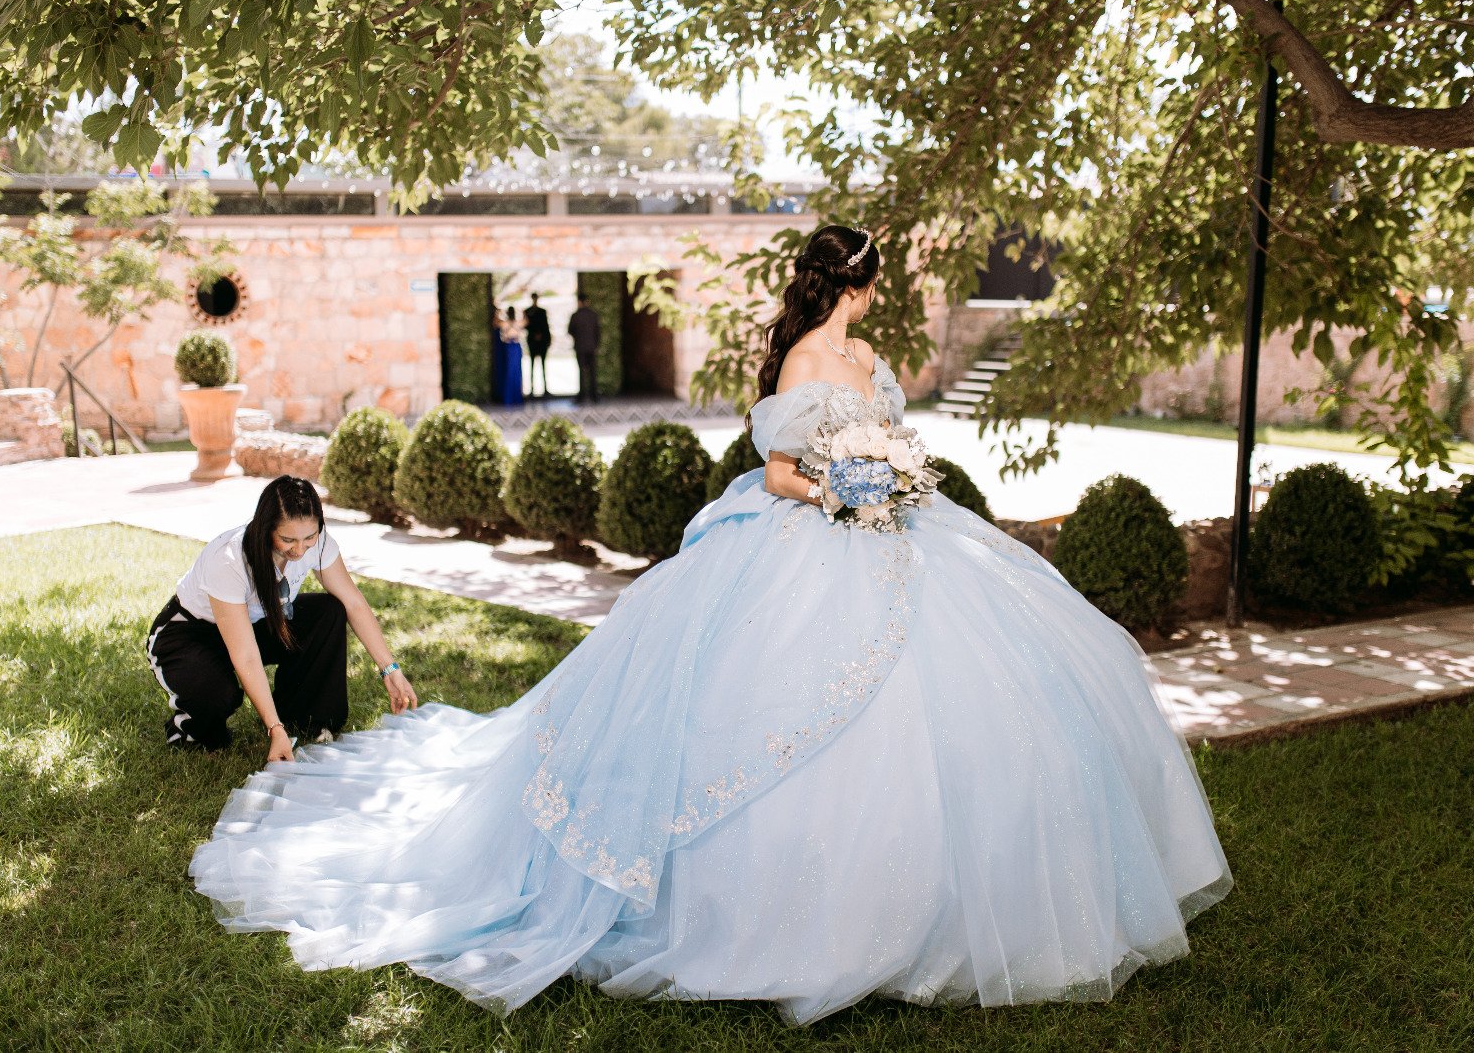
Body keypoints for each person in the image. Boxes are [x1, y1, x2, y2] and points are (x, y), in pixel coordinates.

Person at [190, 225, 1232, 1024]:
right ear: (859, 284)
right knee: (777, 709)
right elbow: (778, 473)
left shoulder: (869, 358)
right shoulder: (800, 365)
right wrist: (842, 492)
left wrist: (893, 482)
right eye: (875, 284)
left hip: (904, 534)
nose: (876, 299)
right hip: (809, 539)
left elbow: (882, 440)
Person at [147, 475, 418, 761]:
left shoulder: (319, 544)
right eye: (287, 539)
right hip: (190, 634)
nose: (299, 550)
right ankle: (190, 732)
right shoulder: (229, 559)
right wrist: (274, 729)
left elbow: (354, 603)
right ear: (266, 528)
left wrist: (390, 669)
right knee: (216, 696)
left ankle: (306, 717)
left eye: (309, 538)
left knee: (329, 611)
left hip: (255, 623)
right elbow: (245, 655)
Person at [567, 292, 600, 403]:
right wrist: (596, 345)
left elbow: (570, 330)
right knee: (592, 372)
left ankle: (582, 396)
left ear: (579, 302)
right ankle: (594, 396)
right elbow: (598, 331)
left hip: (580, 347)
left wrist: (578, 337)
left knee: (581, 372)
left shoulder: (575, 316)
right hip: (591, 347)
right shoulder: (593, 315)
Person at [524, 292, 551, 397]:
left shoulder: (542, 311)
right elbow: (527, 326)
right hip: (532, 342)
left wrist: (546, 339)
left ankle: (545, 388)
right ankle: (531, 388)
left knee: (543, 365)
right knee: (532, 365)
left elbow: (545, 326)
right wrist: (534, 335)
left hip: (542, 342)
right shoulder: (527, 311)